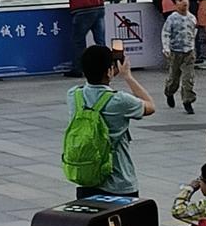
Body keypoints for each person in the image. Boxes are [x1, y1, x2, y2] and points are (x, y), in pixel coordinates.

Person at [65, 43, 155, 199]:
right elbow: (150, 106)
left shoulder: (74, 95)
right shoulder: (119, 100)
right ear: (109, 71)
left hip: (86, 180)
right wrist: (128, 76)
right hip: (119, 183)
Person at [161, 0, 197, 114]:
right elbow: (166, 33)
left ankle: (188, 101)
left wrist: (192, 47)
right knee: (174, 79)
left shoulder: (192, 18)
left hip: (189, 52)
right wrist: (166, 48)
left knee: (188, 78)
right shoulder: (172, 18)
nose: (184, 2)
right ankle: (169, 92)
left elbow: (194, 32)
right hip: (175, 52)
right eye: (180, 0)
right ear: (175, 3)